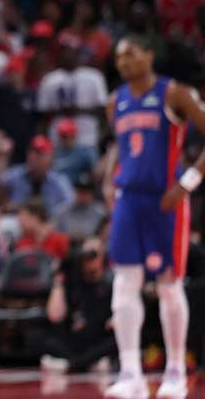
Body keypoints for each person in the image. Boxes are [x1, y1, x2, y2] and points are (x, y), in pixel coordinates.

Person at [104, 34, 205, 399]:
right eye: (119, 57)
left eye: (131, 54)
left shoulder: (174, 93)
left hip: (165, 202)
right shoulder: (115, 102)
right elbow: (118, 150)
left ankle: (175, 371)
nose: (124, 62)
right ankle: (130, 373)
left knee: (168, 284)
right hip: (128, 201)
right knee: (124, 283)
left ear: (149, 54)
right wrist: (108, 184)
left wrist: (187, 184)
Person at [40, 237, 114, 374]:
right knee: (36, 335)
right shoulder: (72, 281)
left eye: (94, 254)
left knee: (116, 340)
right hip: (74, 340)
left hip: (98, 339)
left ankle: (71, 364)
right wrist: (58, 281)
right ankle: (88, 363)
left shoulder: (111, 282)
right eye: (86, 255)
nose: (90, 259)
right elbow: (55, 316)